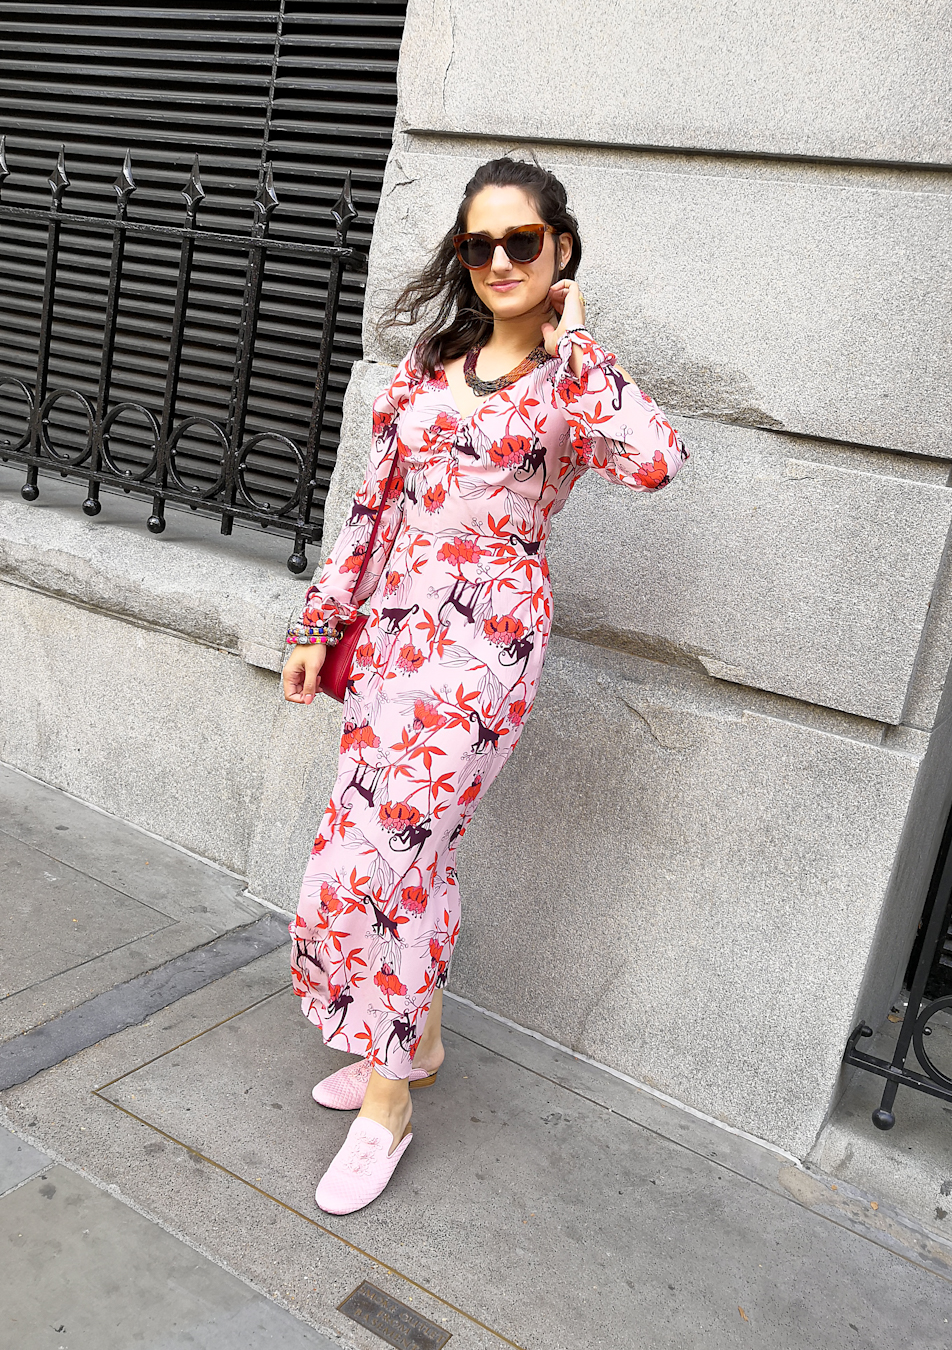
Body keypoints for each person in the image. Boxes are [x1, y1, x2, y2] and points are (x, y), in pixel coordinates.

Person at [281, 157, 688, 1215]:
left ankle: (388, 1101)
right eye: (480, 244)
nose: (500, 260)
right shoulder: (429, 361)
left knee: (401, 859)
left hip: (485, 650)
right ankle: (408, 1042)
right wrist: (320, 624)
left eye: (523, 241)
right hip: (392, 641)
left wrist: (579, 346)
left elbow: (655, 461)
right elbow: (373, 508)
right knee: (356, 842)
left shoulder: (573, 383)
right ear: (463, 258)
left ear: (560, 249)